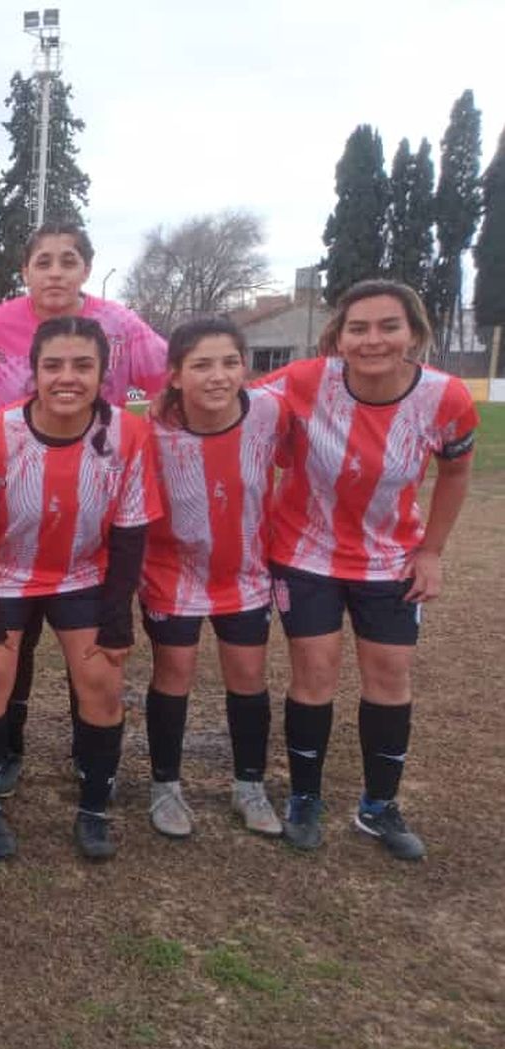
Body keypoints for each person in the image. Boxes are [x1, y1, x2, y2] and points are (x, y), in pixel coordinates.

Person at [0, 223, 167, 799]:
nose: (54, 272)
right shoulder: (0, 329)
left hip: (88, 512)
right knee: (0, 667)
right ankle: (2, 760)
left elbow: (169, 376)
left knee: (95, 670)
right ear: (25, 271)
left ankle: (92, 774)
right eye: (42, 261)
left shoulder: (119, 326)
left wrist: (165, 429)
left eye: (67, 261)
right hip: (14, 514)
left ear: (86, 270)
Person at [261, 280, 476, 860]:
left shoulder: (447, 398)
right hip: (304, 554)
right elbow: (231, 394)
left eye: (388, 326)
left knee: (388, 676)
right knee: (315, 671)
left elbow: (455, 474)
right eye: (358, 327)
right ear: (339, 336)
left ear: (413, 333)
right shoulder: (306, 380)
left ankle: (379, 806)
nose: (373, 339)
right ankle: (304, 797)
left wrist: (431, 551)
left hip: (389, 559)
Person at [139, 318, 286, 839]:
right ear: (175, 375)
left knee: (247, 677)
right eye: (201, 364)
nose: (218, 376)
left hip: (243, 573)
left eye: (230, 362)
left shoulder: (270, 412)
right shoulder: (151, 431)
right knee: (173, 672)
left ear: (245, 368)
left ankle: (249, 786)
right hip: (170, 574)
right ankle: (165, 788)